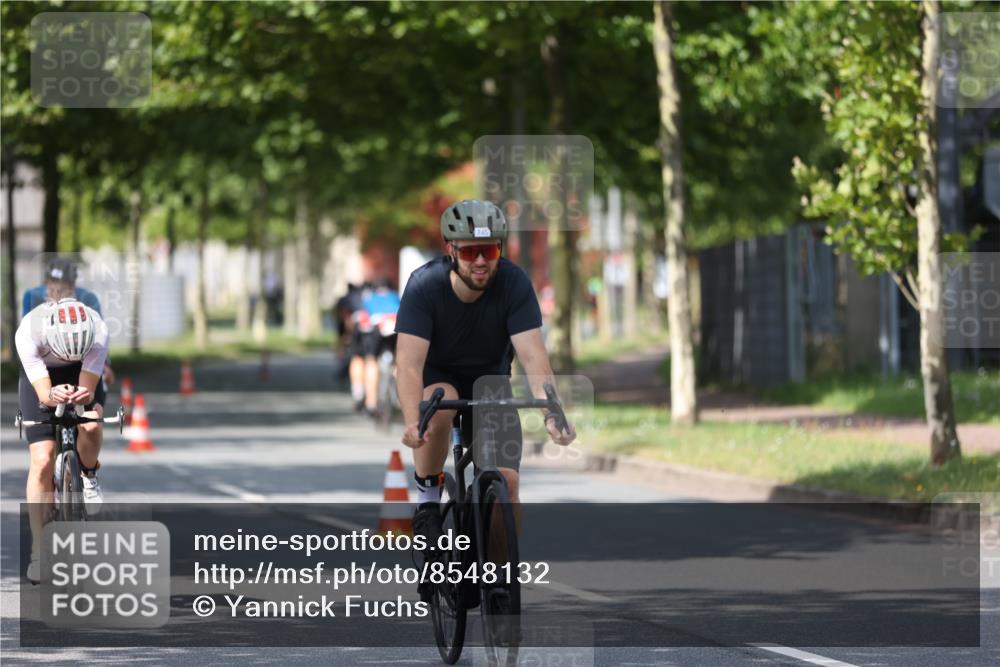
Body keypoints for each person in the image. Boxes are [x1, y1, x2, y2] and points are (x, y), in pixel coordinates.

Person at [394, 199, 576, 594]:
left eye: (490, 250)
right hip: (438, 376)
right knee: (439, 402)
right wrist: (412, 419)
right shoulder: (425, 285)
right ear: (451, 250)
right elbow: (408, 364)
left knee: (507, 484)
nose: (481, 261)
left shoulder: (513, 284)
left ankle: (497, 581)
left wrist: (552, 412)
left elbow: (533, 356)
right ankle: (427, 501)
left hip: (491, 380)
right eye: (471, 251)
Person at [16, 297, 110, 583]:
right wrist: (52, 395)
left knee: (91, 424)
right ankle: (37, 550)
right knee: (42, 459)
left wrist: (81, 397)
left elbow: (88, 391)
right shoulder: (29, 332)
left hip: (81, 372)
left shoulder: (98, 330)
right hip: (42, 377)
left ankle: (89, 475)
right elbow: (44, 394)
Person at [22, 257, 115, 386]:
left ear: (72, 286)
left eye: (61, 288)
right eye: (50, 284)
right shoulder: (33, 296)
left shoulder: (88, 298)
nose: (53, 291)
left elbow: (99, 336)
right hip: (44, 361)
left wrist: (105, 364)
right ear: (46, 282)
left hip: (78, 359)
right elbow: (28, 337)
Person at [359, 278, 401, 416]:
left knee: (371, 361)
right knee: (399, 363)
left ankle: (371, 403)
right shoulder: (396, 296)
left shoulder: (369, 298)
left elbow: (363, 320)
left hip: (377, 328)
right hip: (396, 326)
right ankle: (401, 399)